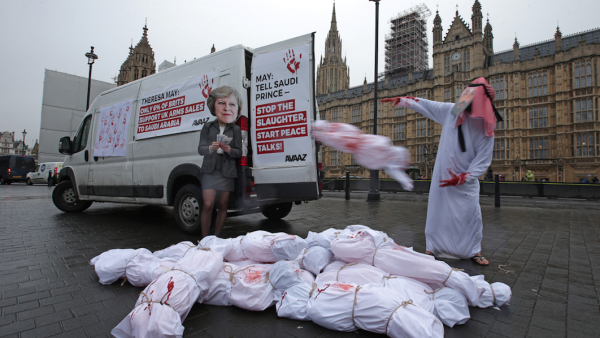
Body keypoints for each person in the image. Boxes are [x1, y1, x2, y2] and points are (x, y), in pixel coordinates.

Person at [382, 77, 501, 266]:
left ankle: (474, 251)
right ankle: (432, 248)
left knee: (470, 215)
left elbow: (483, 160)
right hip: (443, 177)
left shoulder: (485, 128)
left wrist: (465, 177)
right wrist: (404, 100)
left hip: (465, 181)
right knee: (438, 212)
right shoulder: (450, 112)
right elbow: (427, 105)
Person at [197, 85, 242, 238]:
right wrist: (210, 147)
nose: (226, 108)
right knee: (208, 205)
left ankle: (216, 236)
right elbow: (200, 149)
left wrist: (229, 150)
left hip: (227, 171)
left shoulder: (235, 129)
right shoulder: (208, 127)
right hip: (210, 170)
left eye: (231, 104)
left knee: (223, 205)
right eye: (221, 103)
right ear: (214, 106)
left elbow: (239, 152)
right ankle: (204, 239)